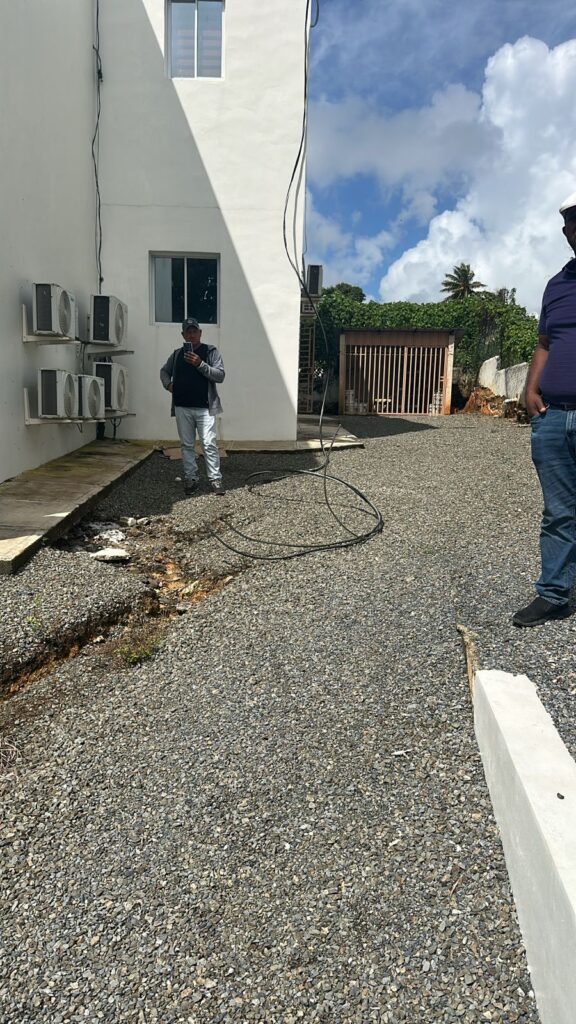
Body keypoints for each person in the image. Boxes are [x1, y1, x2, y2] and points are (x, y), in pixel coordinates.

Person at [513, 191, 576, 626]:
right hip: (552, 417)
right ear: (565, 231)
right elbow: (545, 343)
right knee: (559, 512)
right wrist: (531, 389)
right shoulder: (556, 285)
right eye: (572, 221)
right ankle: (554, 594)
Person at [160, 317, 226, 496]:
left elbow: (220, 375)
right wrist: (168, 384)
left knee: (209, 443)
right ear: (183, 335)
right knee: (187, 445)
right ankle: (191, 478)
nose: (191, 335)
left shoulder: (210, 351)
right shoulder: (177, 354)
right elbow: (164, 371)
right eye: (188, 332)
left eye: (194, 331)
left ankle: (215, 479)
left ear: (200, 333)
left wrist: (200, 364)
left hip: (205, 408)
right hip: (182, 406)